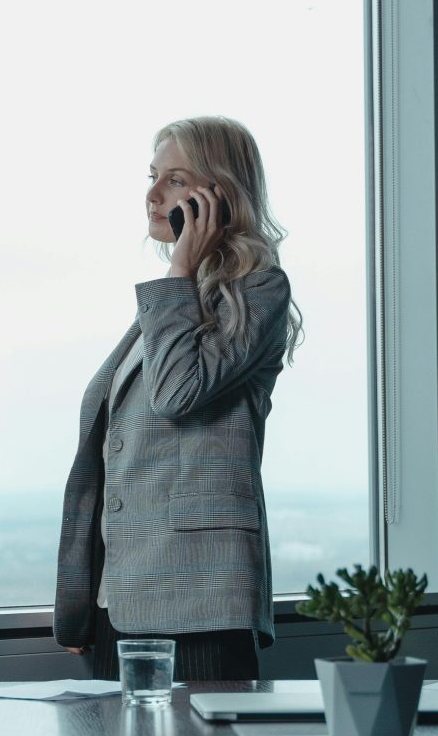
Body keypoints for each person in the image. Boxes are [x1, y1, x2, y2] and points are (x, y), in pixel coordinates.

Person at [52, 115, 302, 682]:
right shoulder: (175, 305)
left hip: (199, 604)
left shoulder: (257, 292)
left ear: (218, 194)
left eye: (174, 180)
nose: (152, 195)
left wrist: (181, 267)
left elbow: (175, 394)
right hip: (120, 600)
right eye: (152, 176)